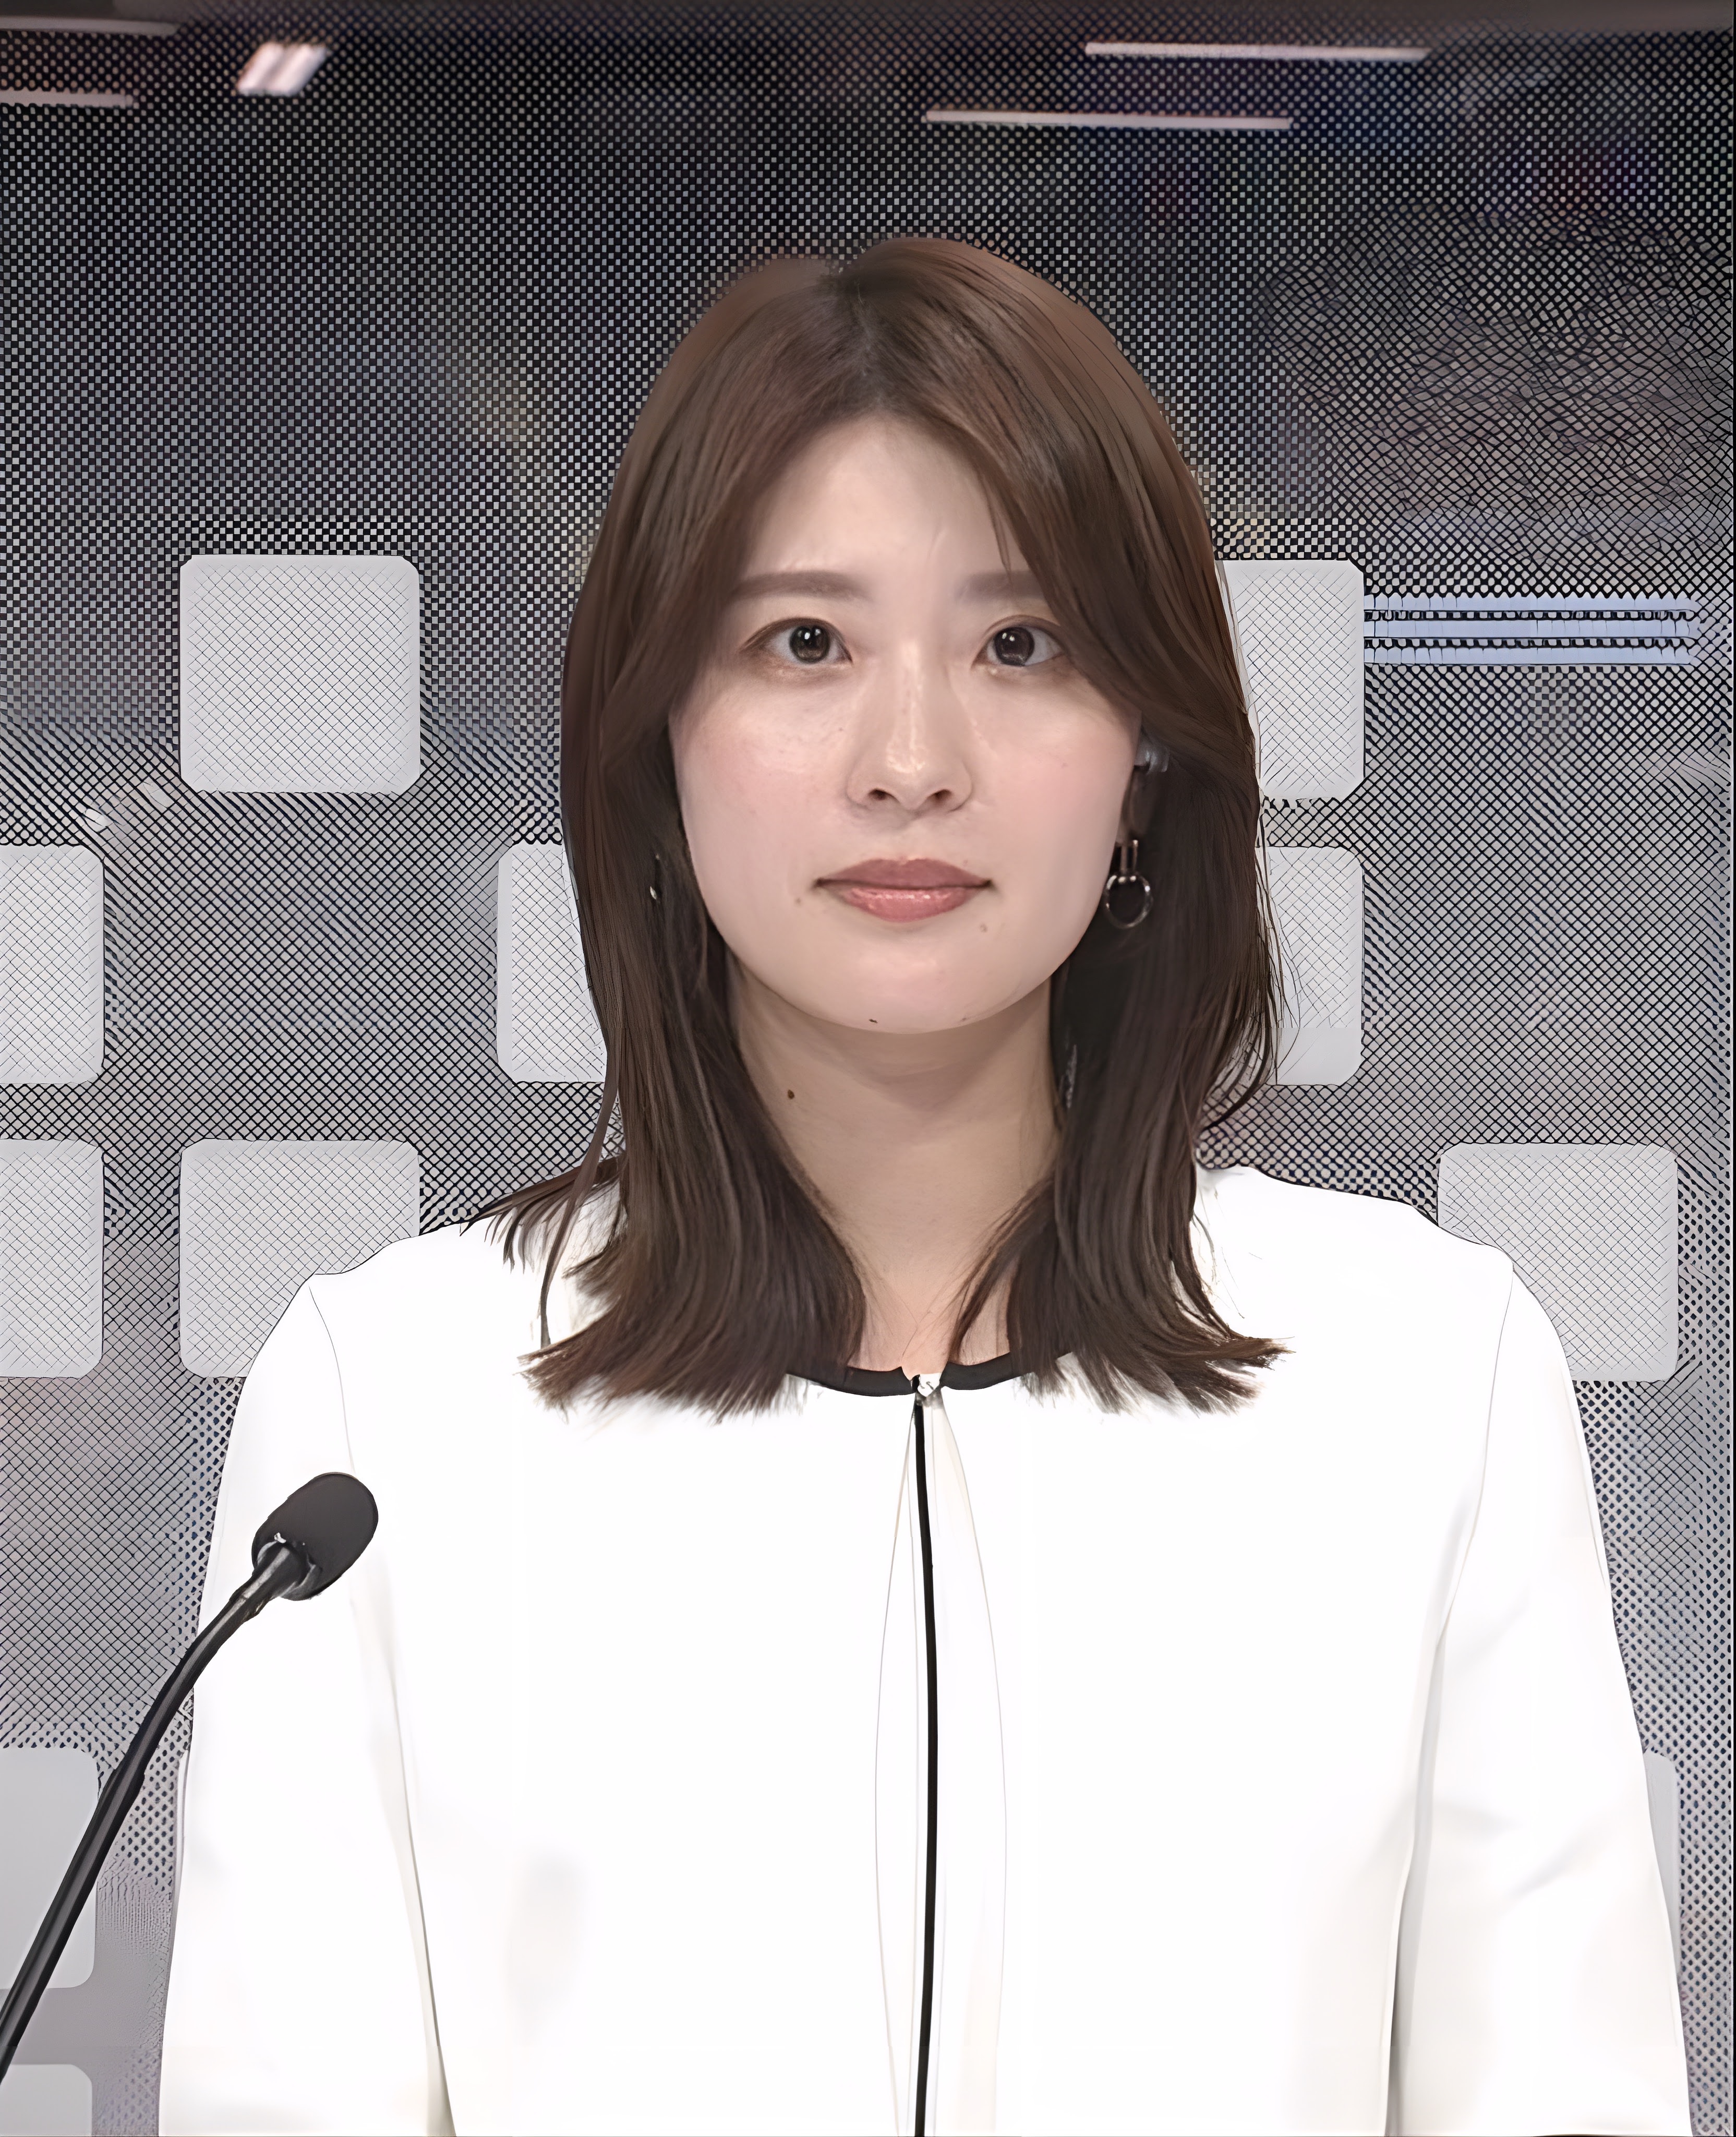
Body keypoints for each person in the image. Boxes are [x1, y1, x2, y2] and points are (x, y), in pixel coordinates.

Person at [158, 239, 1690, 2135]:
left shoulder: (1426, 1375)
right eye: (805, 645)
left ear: (1146, 763)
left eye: (1020, 647)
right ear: (658, 742)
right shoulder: (390, 1406)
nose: (912, 762)